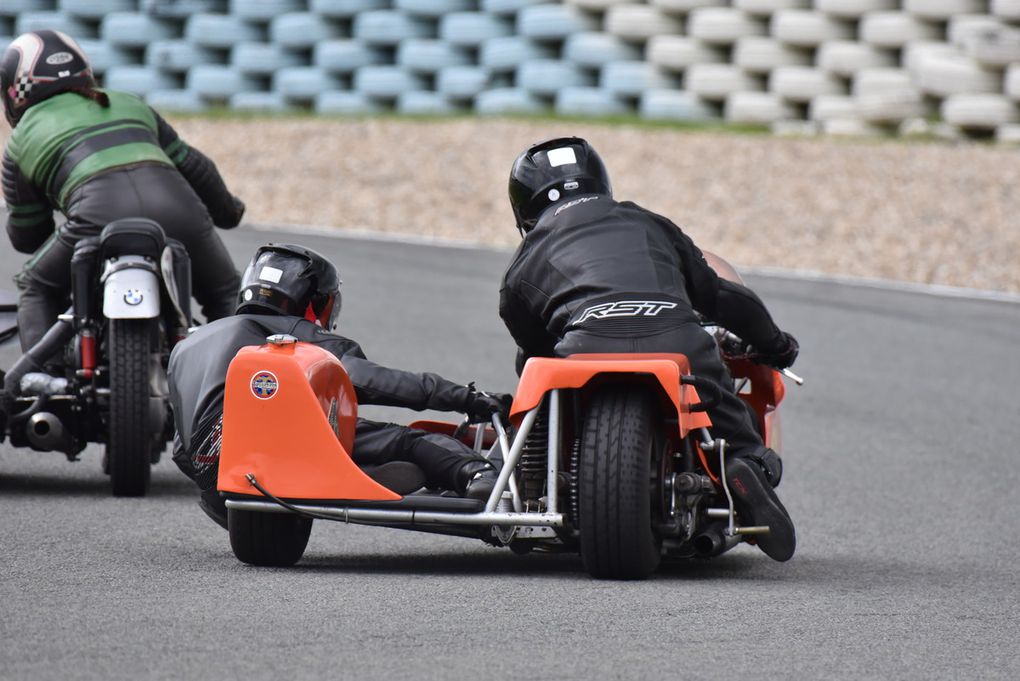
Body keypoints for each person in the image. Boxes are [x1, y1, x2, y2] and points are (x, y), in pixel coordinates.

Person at [499, 137, 800, 562]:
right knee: (732, 422)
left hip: (585, 345)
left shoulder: (524, 260)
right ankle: (743, 465)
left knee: (541, 382)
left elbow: (530, 349)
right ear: (598, 181)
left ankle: (545, 478)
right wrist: (775, 343)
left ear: (523, 207)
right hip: (677, 340)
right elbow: (717, 294)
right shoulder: (649, 222)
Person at [168, 243, 510, 528]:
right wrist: (466, 398)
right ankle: (478, 475)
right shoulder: (295, 333)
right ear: (313, 301)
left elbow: (180, 451)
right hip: (275, 446)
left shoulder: (187, 347)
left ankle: (356, 470)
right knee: (408, 439)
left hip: (211, 467)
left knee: (331, 430)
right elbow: (373, 381)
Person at [1, 30, 244, 351]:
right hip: (178, 209)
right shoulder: (128, 101)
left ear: (15, 88)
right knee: (226, 293)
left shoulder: (19, 142)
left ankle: (41, 379)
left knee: (35, 285)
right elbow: (198, 168)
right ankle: (247, 383)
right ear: (84, 70)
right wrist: (229, 211)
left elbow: (28, 237)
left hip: (94, 217)